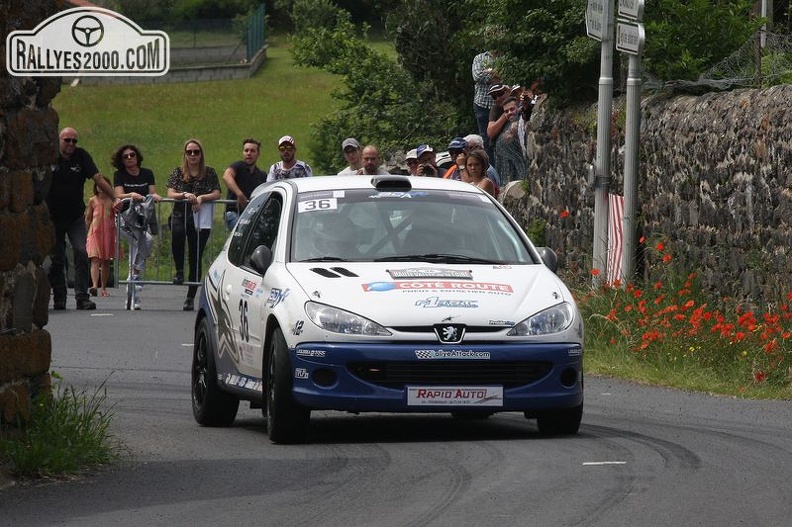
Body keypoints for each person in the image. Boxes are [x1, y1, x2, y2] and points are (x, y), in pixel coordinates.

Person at [47, 127, 118, 311]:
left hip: (74, 216)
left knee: (81, 251)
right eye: (67, 140)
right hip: (53, 217)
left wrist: (115, 197)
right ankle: (60, 297)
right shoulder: (49, 157)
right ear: (59, 141)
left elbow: (98, 179)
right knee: (57, 258)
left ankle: (82, 297)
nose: (71, 144)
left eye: (74, 141)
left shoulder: (81, 156)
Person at [166, 139, 221, 312]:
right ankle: (179, 270)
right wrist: (185, 194)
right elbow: (170, 192)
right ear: (185, 154)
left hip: (200, 218)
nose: (192, 155)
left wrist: (201, 198)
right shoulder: (178, 172)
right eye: (189, 152)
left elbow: (217, 193)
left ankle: (190, 296)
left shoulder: (209, 172)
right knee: (177, 235)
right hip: (180, 214)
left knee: (195, 255)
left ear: (201, 154)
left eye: (196, 152)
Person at [112, 144, 162, 307]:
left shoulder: (147, 173)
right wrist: (130, 195)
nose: (129, 158)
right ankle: (135, 277)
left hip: (141, 219)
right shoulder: (119, 175)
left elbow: (152, 192)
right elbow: (118, 194)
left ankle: (132, 290)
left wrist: (154, 196)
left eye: (132, 155)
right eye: (125, 156)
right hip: (125, 220)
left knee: (136, 250)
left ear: (137, 156)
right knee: (145, 241)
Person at [223, 138, 265, 230]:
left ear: (258, 154)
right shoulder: (238, 166)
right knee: (244, 231)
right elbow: (227, 176)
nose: (249, 153)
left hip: (252, 215)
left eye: (252, 151)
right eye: (246, 150)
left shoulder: (261, 175)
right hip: (233, 213)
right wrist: (239, 194)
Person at [85, 176, 116, 299]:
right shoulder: (93, 200)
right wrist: (87, 231)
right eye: (98, 185)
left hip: (108, 233)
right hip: (95, 232)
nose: (100, 188)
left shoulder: (112, 201)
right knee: (95, 259)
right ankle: (94, 285)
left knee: (106, 260)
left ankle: (103, 287)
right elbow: (88, 217)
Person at [471, 50, 500, 156]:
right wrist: (497, 75)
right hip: (482, 104)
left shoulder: (504, 58)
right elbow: (477, 76)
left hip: (499, 105)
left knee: (501, 139)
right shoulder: (479, 58)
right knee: (486, 141)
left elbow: (508, 75)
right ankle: (490, 169)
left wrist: (489, 71)